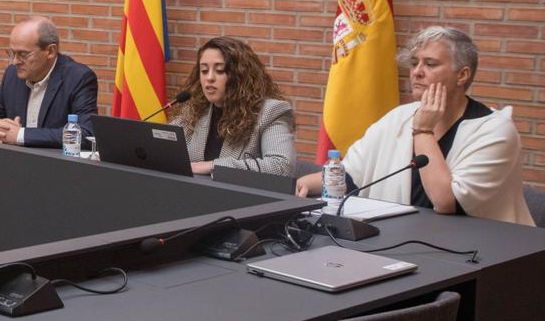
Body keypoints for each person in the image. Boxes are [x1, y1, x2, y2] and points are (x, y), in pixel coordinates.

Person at [297, 26, 533, 226]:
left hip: (480, 256)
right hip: (401, 239)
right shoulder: (399, 117)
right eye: (414, 63)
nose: (417, 72)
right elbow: (353, 174)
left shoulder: (495, 130)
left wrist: (423, 131)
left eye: (430, 64)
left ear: (462, 75)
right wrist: (306, 184)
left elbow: (447, 201)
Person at [174, 37, 296, 176]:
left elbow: (281, 166)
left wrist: (212, 165)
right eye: (204, 70)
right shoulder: (196, 109)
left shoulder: (271, 112)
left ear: (240, 76)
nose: (209, 78)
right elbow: (165, 148)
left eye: (220, 70)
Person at [0, 16, 99, 148]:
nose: (15, 61)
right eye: (12, 53)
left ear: (50, 51)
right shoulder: (12, 74)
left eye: (23, 54)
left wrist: (20, 135)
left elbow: (86, 133)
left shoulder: (79, 77)